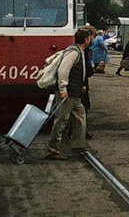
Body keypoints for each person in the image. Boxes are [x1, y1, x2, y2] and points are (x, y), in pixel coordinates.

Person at [46, 28, 94, 159]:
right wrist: (62, 89)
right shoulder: (73, 52)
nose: (91, 40)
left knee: (81, 116)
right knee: (61, 120)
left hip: (75, 93)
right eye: (90, 38)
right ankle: (53, 150)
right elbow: (63, 70)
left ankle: (78, 145)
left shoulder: (79, 51)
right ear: (86, 39)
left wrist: (81, 85)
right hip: (68, 93)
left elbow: (79, 71)